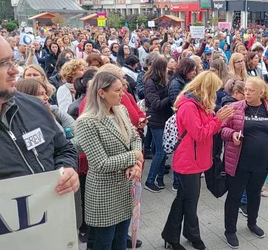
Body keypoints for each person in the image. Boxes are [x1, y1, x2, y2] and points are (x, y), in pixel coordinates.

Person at [0, 28, 79, 192]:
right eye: (2, 64)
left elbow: (63, 149)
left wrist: (67, 168)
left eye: (13, 61)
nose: (14, 70)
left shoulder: (34, 106)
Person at [161, 71, 234, 250]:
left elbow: (209, 129)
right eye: (214, 90)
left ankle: (176, 235)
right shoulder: (189, 106)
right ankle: (188, 235)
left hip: (195, 158)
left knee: (184, 199)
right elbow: (200, 133)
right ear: (206, 89)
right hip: (188, 160)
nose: (217, 94)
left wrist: (218, 118)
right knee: (189, 200)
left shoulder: (198, 104)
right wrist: (218, 119)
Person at [76, 72, 144, 250]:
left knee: (121, 241)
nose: (123, 94)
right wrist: (133, 156)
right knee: (103, 243)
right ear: (101, 93)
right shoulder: (87, 122)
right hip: (103, 194)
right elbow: (100, 163)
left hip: (123, 188)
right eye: (118, 90)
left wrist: (135, 163)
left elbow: (134, 136)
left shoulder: (120, 110)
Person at [221, 76, 268, 249]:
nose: (247, 93)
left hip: (262, 164)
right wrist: (231, 134)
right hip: (239, 163)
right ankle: (230, 230)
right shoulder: (235, 108)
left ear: (261, 92)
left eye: (251, 90)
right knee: (234, 196)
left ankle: (252, 223)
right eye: (245, 90)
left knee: (254, 194)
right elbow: (221, 128)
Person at [144, 57, 173, 192]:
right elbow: (156, 104)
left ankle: (160, 179)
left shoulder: (163, 80)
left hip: (163, 120)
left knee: (160, 151)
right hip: (156, 121)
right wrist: (171, 96)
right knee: (161, 153)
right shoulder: (150, 82)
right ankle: (150, 181)